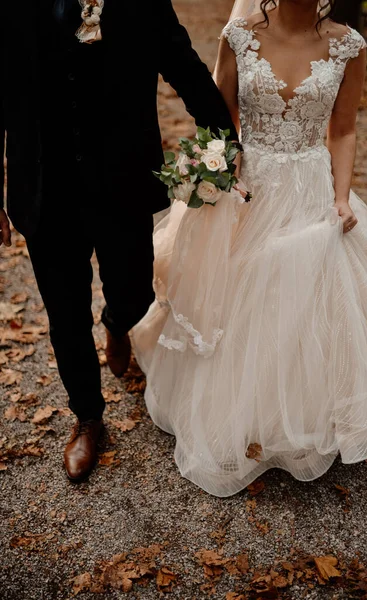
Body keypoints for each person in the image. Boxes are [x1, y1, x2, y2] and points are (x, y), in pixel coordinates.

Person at [132, 0, 367, 497]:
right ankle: (239, 411)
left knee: (304, 298)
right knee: (241, 294)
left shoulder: (349, 45)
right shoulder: (238, 35)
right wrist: (224, 173)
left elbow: (345, 129)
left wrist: (342, 197)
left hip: (310, 185)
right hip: (250, 185)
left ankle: (302, 414)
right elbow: (220, 117)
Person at [0, 0, 238, 482]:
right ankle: (88, 418)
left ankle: (116, 319)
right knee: (65, 313)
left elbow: (185, 68)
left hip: (123, 184)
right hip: (45, 189)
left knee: (135, 292)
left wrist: (224, 147)